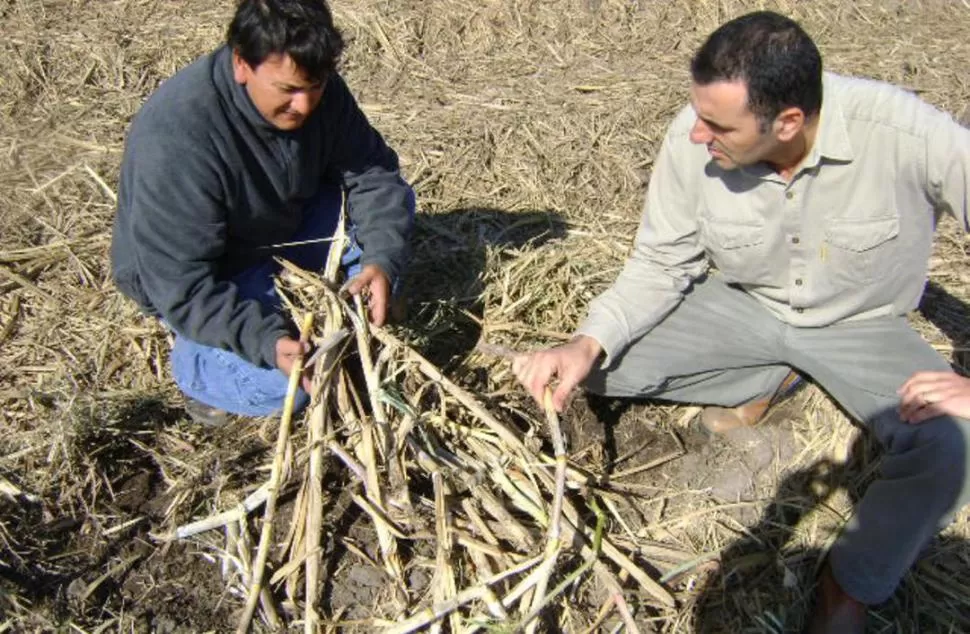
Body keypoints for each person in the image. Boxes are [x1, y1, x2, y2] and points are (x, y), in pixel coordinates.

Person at [511, 11, 970, 633]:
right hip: (743, 306)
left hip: (860, 327)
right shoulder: (691, 138)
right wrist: (588, 340)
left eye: (718, 124)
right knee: (597, 367)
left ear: (787, 122)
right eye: (697, 114)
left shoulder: (903, 132)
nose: (697, 134)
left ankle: (848, 587)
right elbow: (660, 262)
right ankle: (767, 378)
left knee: (953, 445)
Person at [111, 0, 414, 425]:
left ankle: (357, 305)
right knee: (289, 387)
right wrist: (267, 341)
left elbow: (373, 174)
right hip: (208, 275)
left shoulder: (314, 86)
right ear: (241, 64)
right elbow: (182, 283)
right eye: (288, 90)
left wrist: (381, 261)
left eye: (316, 85)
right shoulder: (178, 138)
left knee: (394, 209)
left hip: (279, 228)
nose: (306, 105)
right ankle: (198, 370)